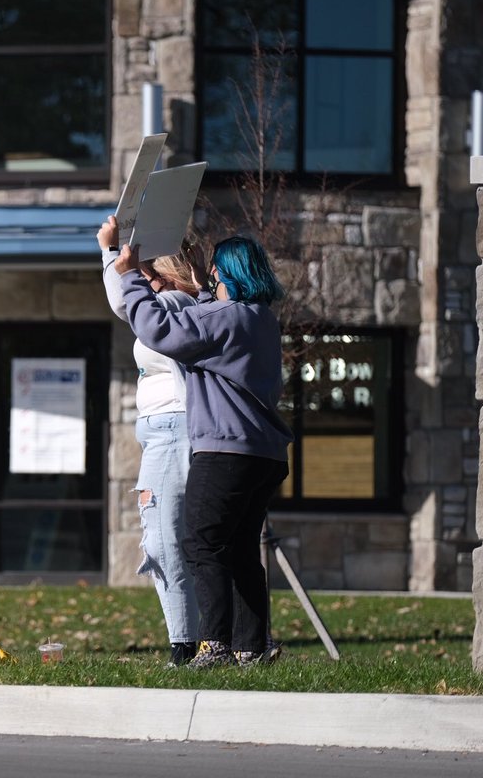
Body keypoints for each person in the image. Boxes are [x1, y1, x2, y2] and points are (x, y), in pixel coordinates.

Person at [105, 216, 292, 669]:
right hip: (266, 454)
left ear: (227, 275)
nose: (212, 279)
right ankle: (251, 647)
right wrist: (194, 285)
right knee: (242, 549)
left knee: (202, 544)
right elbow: (208, 320)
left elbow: (158, 330)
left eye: (216, 274)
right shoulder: (260, 321)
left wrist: (127, 274)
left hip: (225, 450)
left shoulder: (221, 320)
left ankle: (215, 645)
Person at [99, 231, 202, 667]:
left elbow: (127, 306)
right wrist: (116, 259)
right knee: (176, 539)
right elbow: (128, 305)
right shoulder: (170, 303)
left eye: (146, 268)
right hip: (161, 433)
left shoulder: (178, 304)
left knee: (162, 539)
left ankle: (186, 645)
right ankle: (201, 640)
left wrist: (111, 255)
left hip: (173, 431)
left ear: (165, 269)